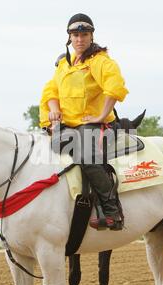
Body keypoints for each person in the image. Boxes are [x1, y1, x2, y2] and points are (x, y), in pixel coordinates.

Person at [40, 13, 128, 230]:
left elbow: (114, 86)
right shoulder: (64, 63)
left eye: (84, 34)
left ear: (91, 36)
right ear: (69, 37)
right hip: (67, 123)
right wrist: (53, 109)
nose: (80, 39)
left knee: (86, 157)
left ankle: (112, 211)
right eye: (75, 35)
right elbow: (51, 89)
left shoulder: (100, 61)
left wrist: (100, 115)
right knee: (50, 148)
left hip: (92, 124)